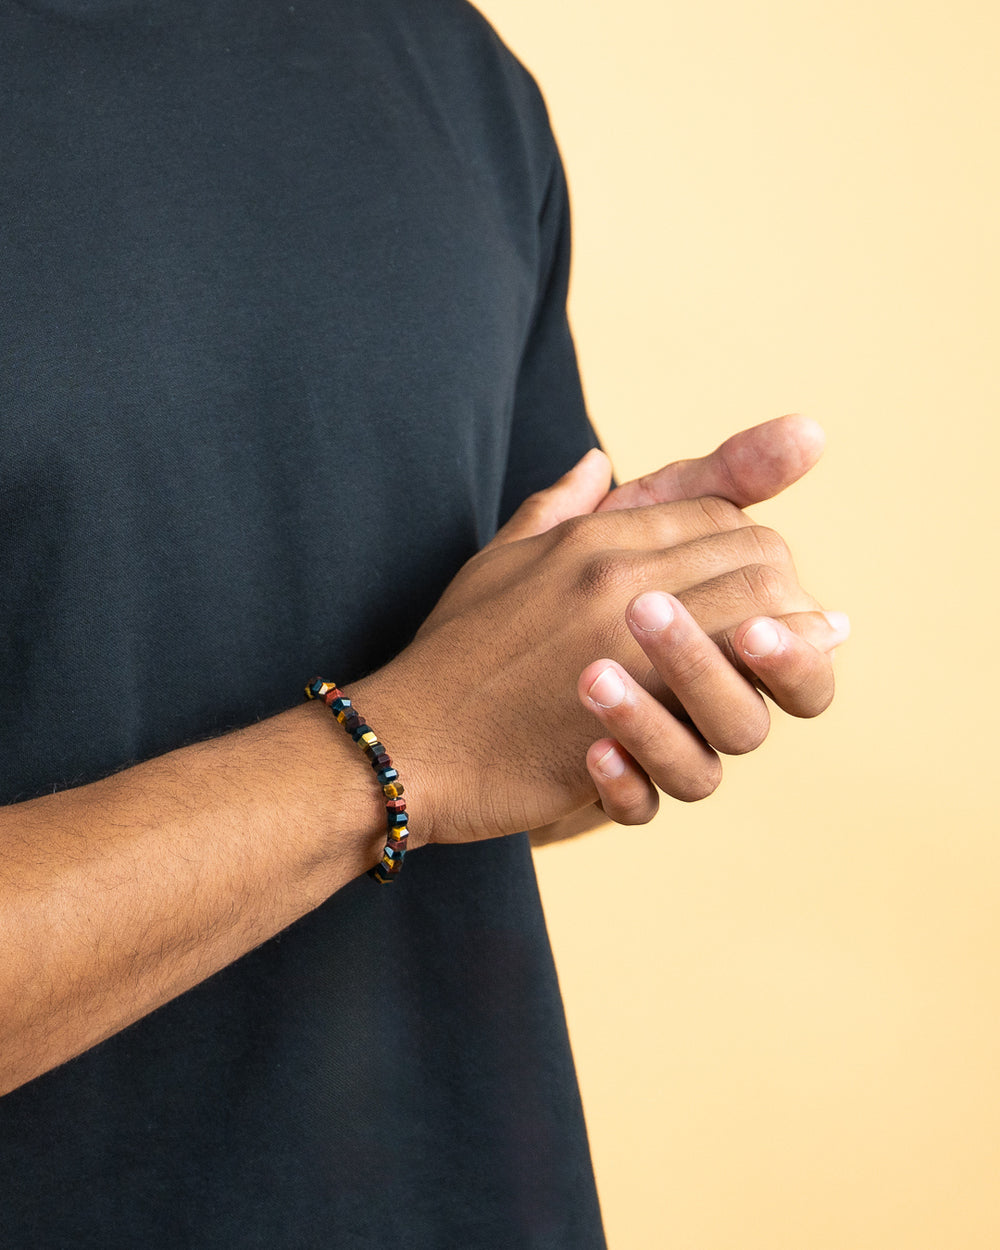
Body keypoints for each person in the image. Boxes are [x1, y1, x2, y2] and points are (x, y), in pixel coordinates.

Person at [0, 0, 846, 1245]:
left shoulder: (444, 65)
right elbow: (440, 736)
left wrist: (628, 672)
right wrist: (397, 749)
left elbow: (496, 738)